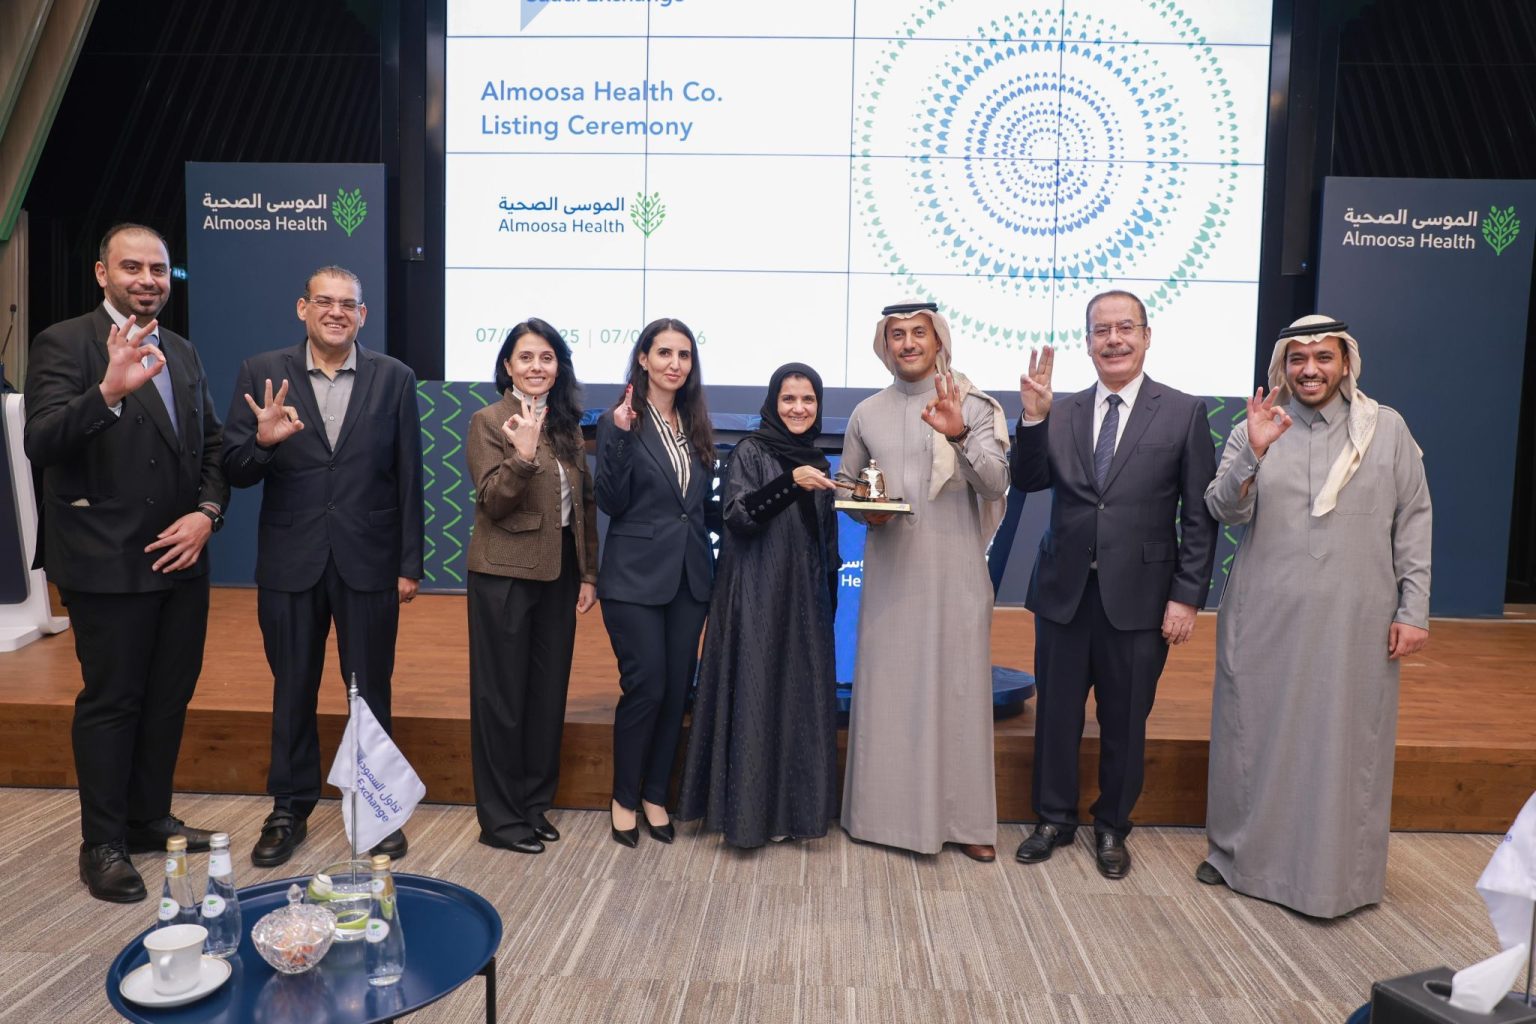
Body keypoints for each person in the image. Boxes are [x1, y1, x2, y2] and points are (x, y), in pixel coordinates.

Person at [1198, 315, 1431, 917]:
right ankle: (1238, 856)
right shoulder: (1255, 427)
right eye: (1298, 359)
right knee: (1253, 736)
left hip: (1355, 620)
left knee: (1345, 744)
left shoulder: (1386, 429)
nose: (1310, 370)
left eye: (1323, 357)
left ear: (1345, 363)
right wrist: (1253, 451)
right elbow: (1223, 509)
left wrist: (1414, 609)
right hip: (1265, 614)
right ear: (1283, 366)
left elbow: (1413, 519)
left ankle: (1337, 876)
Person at [24, 223, 228, 901]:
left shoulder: (183, 351)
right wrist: (106, 393)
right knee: (113, 703)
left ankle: (147, 819)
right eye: (132, 267)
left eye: (158, 269)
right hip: (107, 564)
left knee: (168, 699)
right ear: (102, 273)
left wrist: (207, 515)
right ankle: (103, 844)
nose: (147, 280)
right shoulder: (65, 343)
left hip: (182, 560)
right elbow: (41, 441)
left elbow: (211, 448)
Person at [1011, 289, 1217, 879]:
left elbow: (1198, 517)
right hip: (1064, 592)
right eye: (1102, 330)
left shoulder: (1182, 412)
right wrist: (1033, 418)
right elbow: (1028, 480)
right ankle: (1053, 819)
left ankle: (1111, 826)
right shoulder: (1063, 410)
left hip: (1142, 599)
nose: (1114, 339)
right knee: (1056, 715)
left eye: (1125, 328)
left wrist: (1186, 597)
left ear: (1146, 337)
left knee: (1126, 720)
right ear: (1087, 343)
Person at [222, 265, 423, 867]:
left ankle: (375, 810)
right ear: (302, 308)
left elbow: (409, 476)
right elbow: (235, 468)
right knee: (292, 689)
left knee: (371, 691)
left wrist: (409, 563)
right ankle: (289, 808)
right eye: (325, 301)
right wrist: (262, 443)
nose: (337, 312)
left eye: (348, 304)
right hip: (291, 560)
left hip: (369, 560)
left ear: (363, 315)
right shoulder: (262, 372)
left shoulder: (394, 377)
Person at [837, 301, 1010, 862]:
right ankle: (878, 816)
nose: (908, 343)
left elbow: (995, 484)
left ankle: (966, 821)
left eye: (918, 332)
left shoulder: (974, 404)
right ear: (884, 344)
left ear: (938, 341)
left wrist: (958, 435)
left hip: (956, 572)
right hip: (891, 574)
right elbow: (849, 484)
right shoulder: (867, 412)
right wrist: (865, 511)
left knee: (959, 694)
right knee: (888, 694)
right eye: (897, 334)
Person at [679, 363, 841, 847]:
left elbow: (825, 542)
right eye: (789, 399)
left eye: (808, 400)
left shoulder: (817, 461)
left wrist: (826, 600)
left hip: (804, 601)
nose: (798, 408)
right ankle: (749, 818)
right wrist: (791, 482)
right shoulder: (751, 451)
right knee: (756, 695)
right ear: (773, 403)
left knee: (797, 701)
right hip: (756, 596)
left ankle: (790, 814)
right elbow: (738, 516)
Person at [465, 319, 598, 856]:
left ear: (558, 366)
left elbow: (584, 504)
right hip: (503, 574)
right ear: (507, 365)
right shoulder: (488, 420)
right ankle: (500, 820)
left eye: (546, 357)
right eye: (526, 357)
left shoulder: (566, 426)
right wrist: (520, 457)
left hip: (558, 573)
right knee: (501, 700)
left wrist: (588, 573)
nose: (536, 367)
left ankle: (532, 805)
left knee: (546, 696)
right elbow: (493, 502)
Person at [596, 317, 716, 848]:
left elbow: (696, 509)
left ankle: (654, 795)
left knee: (674, 691)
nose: (674, 363)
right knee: (645, 686)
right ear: (643, 359)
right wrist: (621, 439)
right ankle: (624, 799)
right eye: (664, 352)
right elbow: (611, 501)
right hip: (633, 579)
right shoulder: (620, 420)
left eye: (684, 355)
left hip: (689, 579)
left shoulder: (695, 423)